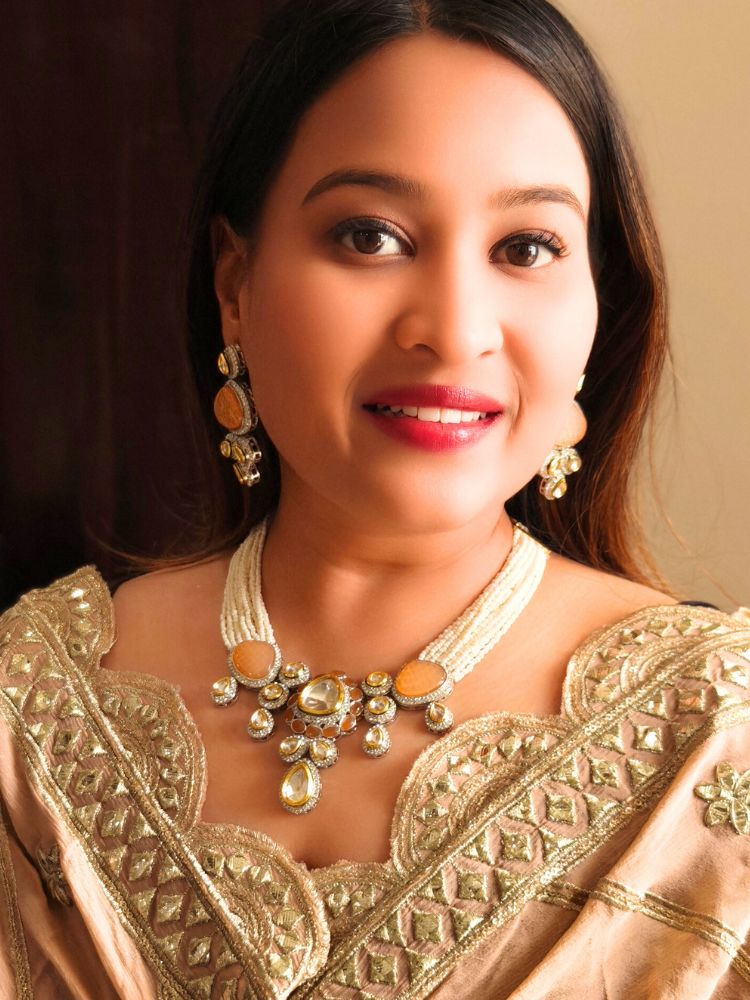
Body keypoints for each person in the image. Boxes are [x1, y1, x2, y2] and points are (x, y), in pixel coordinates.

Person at [1, 1, 748, 996]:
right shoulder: (31, 714)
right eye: (370, 235)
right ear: (236, 284)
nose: (454, 328)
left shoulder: (715, 738)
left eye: (526, 248)